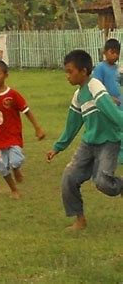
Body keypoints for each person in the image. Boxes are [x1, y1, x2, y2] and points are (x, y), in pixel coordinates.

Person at [47, 50, 123, 231]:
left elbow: (111, 113)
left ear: (83, 71)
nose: (67, 76)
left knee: (102, 182)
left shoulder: (95, 86)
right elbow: (72, 124)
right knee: (69, 177)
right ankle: (79, 219)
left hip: (108, 142)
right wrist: (58, 147)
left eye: (70, 71)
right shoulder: (78, 95)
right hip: (88, 144)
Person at [0, 60, 45, 199]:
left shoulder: (13, 95)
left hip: (13, 135)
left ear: (6, 75)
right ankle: (14, 190)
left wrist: (37, 128)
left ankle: (16, 169)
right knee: (2, 168)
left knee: (16, 161)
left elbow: (26, 111)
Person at [92, 39, 123, 164]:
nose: (115, 55)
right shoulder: (100, 68)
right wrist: (109, 98)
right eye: (112, 52)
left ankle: (120, 155)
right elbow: (96, 86)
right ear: (105, 52)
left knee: (120, 129)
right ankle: (109, 155)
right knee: (111, 131)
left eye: (117, 53)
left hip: (120, 105)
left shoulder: (118, 69)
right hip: (108, 105)